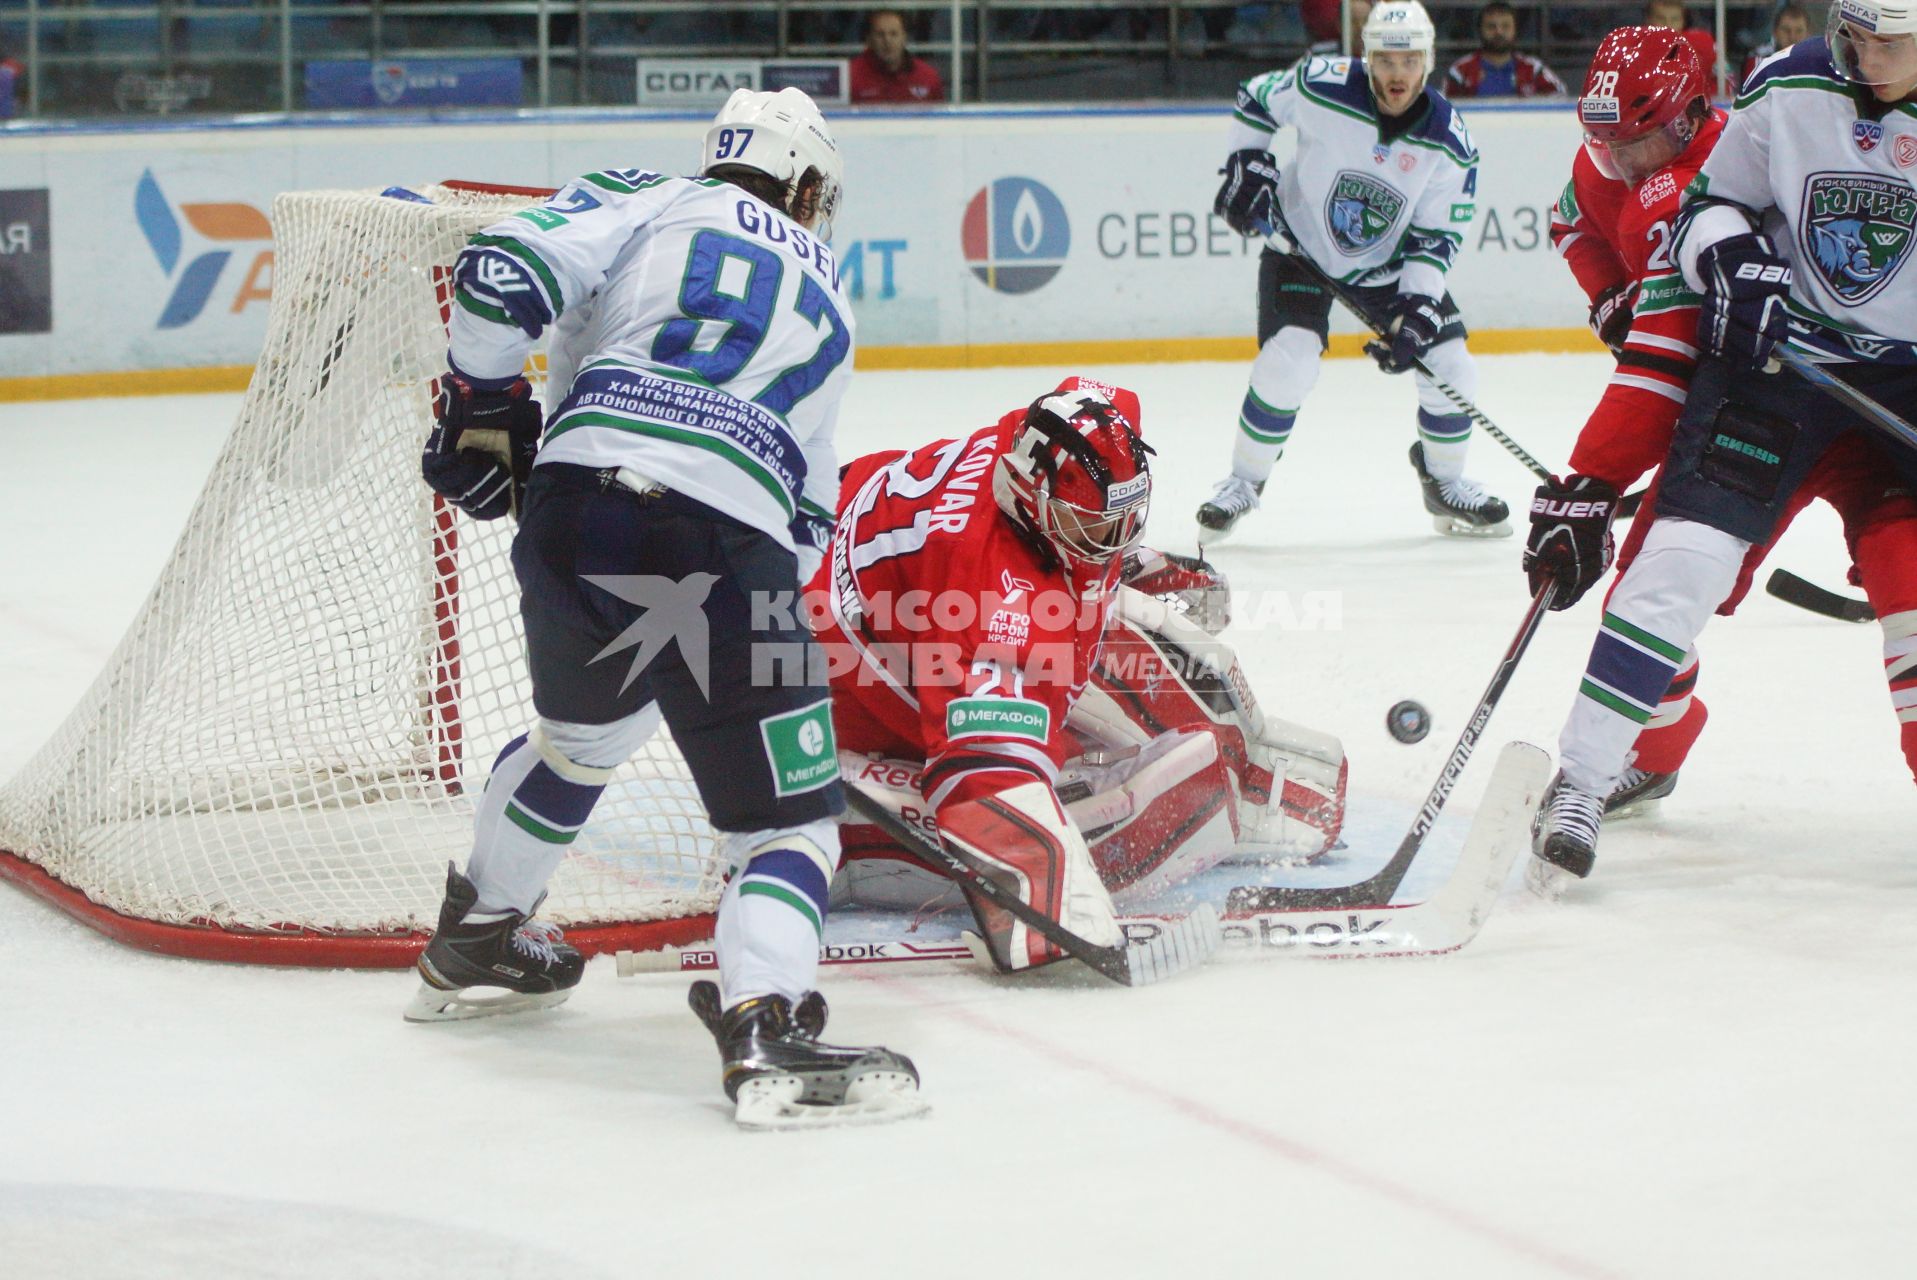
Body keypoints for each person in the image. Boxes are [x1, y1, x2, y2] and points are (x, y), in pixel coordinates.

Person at [405, 87, 923, 1128]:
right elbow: (808, 514)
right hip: (723, 540)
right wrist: (774, 660)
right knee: (791, 819)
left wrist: (482, 398)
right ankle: (766, 1019)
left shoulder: (647, 198)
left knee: (580, 740)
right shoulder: (833, 288)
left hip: (569, 514)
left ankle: (479, 933)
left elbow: (500, 272)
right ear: (808, 182)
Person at [1528, 5, 1917, 885]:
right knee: (1672, 567)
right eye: (1852, 36)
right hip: (1776, 372)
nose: (1862, 59)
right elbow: (1712, 209)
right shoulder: (1789, 83)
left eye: (1887, 43)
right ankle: (1584, 780)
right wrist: (1731, 258)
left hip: (1902, 385)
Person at [817, 388, 1348, 942]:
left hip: (833, 533)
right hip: (819, 673)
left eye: (1124, 520)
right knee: (1107, 825)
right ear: (1031, 501)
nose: (1116, 540)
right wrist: (1051, 915)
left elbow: (1105, 408)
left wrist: (1128, 562)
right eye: (1098, 528)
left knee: (1129, 637)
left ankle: (1243, 775)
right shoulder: (995, 606)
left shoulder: (1048, 442)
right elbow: (985, 773)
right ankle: (846, 826)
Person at [1197, 0, 1508, 545]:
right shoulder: (1322, 85)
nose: (1397, 74)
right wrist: (1245, 162)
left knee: (1452, 365)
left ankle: (1445, 480)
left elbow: (1436, 238)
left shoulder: (1450, 142)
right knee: (1287, 361)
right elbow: (1256, 98)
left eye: (1409, 61)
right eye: (1386, 60)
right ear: (1366, 57)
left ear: (1428, 63)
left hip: (1387, 268)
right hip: (1300, 245)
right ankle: (1243, 484)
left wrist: (1416, 310)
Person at [1445, 2, 1567, 98]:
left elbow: (1561, 97)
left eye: (1505, 26)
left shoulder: (1533, 69)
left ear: (1515, 30)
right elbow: (1445, 109)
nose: (1499, 32)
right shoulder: (1460, 70)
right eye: (1491, 27)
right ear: (1480, 30)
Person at [849, 8, 945, 105]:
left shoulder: (928, 76)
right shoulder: (850, 76)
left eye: (894, 34)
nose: (887, 41)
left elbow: (941, 118)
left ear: (904, 37)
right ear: (869, 39)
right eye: (880, 34)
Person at [1643, 0, 1723, 94]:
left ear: (1683, 21)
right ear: (1648, 20)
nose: (1668, 24)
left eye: (1675, 19)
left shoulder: (1703, 43)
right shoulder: (1637, 48)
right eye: (1661, 18)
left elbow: (1727, 80)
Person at [1740, 4, 1811, 87]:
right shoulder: (1759, 60)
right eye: (1786, 30)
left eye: (1799, 31)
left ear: (1808, 34)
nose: (1792, 37)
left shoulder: (1819, 63)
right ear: (1775, 32)